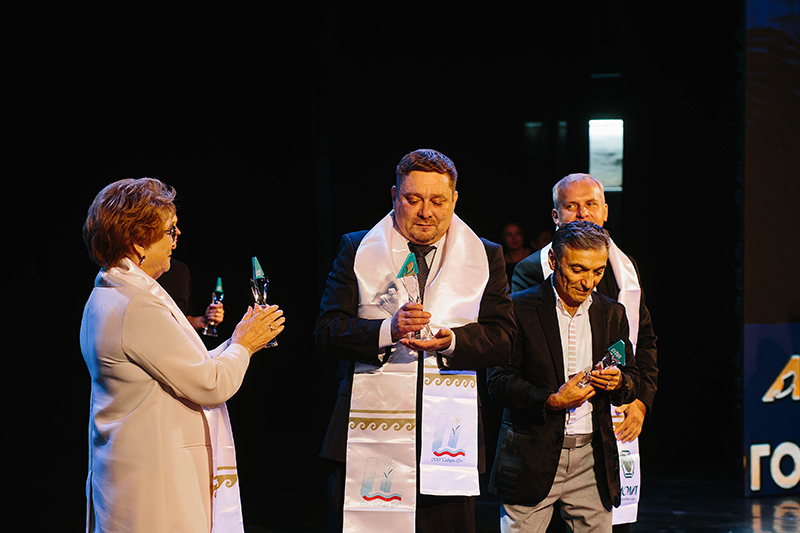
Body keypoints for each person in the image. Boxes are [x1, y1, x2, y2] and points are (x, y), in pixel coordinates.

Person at [315, 148, 516, 533]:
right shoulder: (358, 247)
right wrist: (387, 330)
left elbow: (503, 338)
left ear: (454, 200)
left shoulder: (485, 254)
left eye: (438, 201)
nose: (426, 212)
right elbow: (326, 330)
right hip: (365, 432)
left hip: (447, 439)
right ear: (394, 196)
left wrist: (452, 341)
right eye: (413, 199)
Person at [80, 177, 285, 532]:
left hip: (134, 474)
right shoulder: (135, 305)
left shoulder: (111, 291)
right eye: (169, 230)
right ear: (138, 243)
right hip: (152, 485)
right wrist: (245, 345)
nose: (177, 238)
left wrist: (237, 339)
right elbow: (210, 384)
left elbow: (186, 365)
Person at [511, 174, 658, 529]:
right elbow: (521, 356)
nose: (582, 213)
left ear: (605, 211)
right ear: (555, 215)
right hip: (548, 429)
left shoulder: (625, 269)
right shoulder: (530, 271)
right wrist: (552, 398)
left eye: (590, 205)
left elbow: (643, 341)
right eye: (571, 206)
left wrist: (639, 398)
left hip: (606, 426)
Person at [488, 220, 640, 532]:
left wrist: (619, 383)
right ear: (554, 260)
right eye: (578, 269)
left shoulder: (612, 313)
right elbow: (498, 382)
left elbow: (631, 376)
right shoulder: (518, 308)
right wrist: (552, 400)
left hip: (592, 460)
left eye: (598, 271)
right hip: (531, 456)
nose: (588, 282)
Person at [158, 258, 225, 332]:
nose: (173, 247)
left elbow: (183, 319)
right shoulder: (148, 272)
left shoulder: (180, 270)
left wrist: (204, 320)